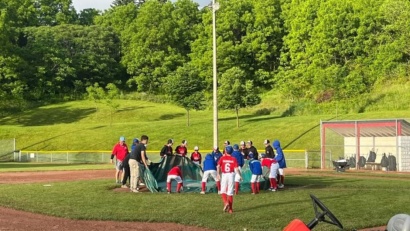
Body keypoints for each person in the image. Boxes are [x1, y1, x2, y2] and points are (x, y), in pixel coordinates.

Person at [217, 146, 242, 214]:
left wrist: (218, 174)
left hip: (224, 175)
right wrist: (240, 175)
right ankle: (230, 209)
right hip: (231, 175)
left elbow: (218, 166)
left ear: (225, 151)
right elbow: (236, 169)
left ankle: (226, 202)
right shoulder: (233, 159)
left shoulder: (222, 158)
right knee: (230, 192)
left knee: (223, 190)